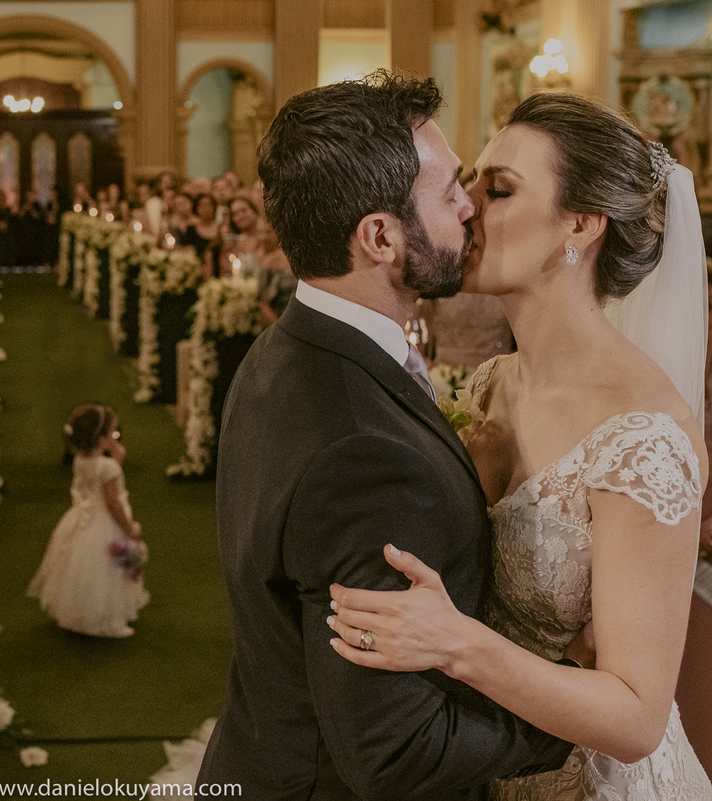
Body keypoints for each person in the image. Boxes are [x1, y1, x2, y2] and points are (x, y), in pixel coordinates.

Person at [196, 72, 574, 800]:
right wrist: (565, 718)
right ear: (379, 236)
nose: (469, 208)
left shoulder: (283, 352)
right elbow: (395, 750)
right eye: (449, 192)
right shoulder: (364, 454)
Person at [327, 93, 712, 799]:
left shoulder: (644, 436)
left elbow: (636, 717)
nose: (466, 206)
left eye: (497, 189)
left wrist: (454, 643)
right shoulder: (487, 385)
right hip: (487, 760)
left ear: (581, 225)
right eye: (469, 182)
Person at [27, 403, 149, 637]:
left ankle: (78, 613)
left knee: (81, 569)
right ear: (102, 438)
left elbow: (98, 482)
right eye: (112, 432)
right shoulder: (108, 466)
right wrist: (129, 528)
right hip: (106, 524)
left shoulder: (81, 460)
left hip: (83, 520)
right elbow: (113, 503)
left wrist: (116, 461)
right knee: (109, 571)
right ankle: (108, 619)